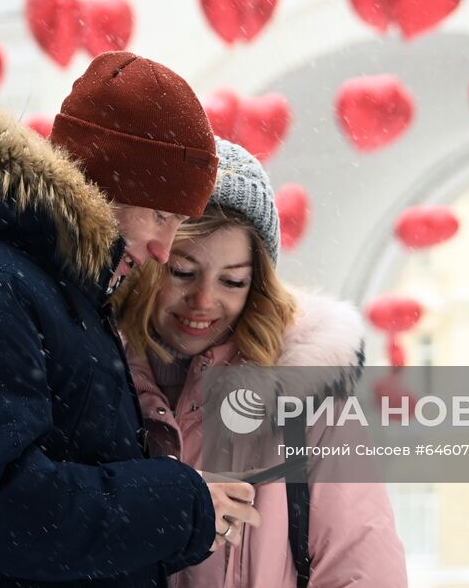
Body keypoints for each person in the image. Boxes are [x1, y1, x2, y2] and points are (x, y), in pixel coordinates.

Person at [0, 52, 260, 587]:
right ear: (105, 182)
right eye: (160, 215)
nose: (162, 248)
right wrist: (179, 504)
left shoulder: (46, 291)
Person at [113, 140, 408, 587]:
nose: (205, 301)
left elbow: (363, 571)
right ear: (152, 260)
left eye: (232, 280)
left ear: (257, 286)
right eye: (184, 272)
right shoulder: (96, 381)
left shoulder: (312, 409)